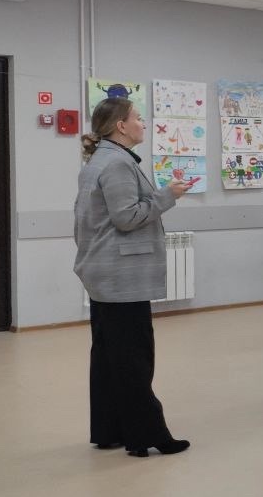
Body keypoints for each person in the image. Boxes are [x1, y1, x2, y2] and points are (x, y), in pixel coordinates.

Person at [74, 98, 191, 457]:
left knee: (109, 357)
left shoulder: (101, 160)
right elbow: (126, 218)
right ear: (120, 126)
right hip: (121, 277)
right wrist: (168, 196)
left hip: (104, 273)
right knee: (134, 359)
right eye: (138, 118)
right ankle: (148, 435)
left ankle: (109, 430)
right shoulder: (117, 163)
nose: (144, 123)